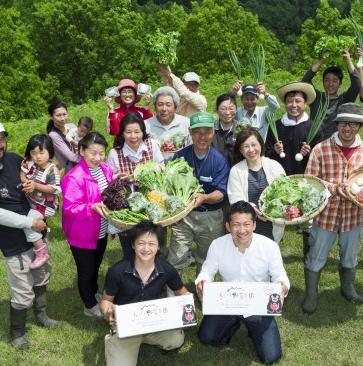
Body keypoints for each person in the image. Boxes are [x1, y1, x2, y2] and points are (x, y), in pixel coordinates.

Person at [0, 119, 61, 350]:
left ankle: (42, 315)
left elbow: (41, 176)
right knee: (22, 290)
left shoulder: (16, 160)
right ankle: (17, 331)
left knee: (42, 275)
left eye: (1, 139)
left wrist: (45, 204)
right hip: (13, 241)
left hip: (38, 229)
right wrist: (31, 222)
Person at [302, 102, 363, 314]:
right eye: (343, 123)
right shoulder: (321, 149)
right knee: (317, 253)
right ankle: (311, 293)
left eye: (353, 125)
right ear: (337, 124)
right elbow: (311, 182)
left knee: (350, 254)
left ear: (359, 127)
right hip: (326, 214)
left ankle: (347, 286)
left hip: (353, 216)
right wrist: (334, 188)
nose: (347, 129)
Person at [100, 220, 191, 366]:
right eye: (141, 243)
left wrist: (188, 297)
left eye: (151, 244)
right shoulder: (117, 271)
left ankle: (146, 340)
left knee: (176, 339)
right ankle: (111, 341)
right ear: (133, 245)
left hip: (153, 323)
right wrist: (108, 313)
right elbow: (106, 301)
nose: (146, 249)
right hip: (125, 328)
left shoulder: (166, 269)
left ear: (158, 247)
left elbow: (182, 292)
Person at [195, 201, 290, 365]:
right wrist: (202, 282)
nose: (241, 230)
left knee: (271, 357)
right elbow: (207, 272)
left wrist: (281, 287)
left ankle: (253, 328)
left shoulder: (269, 246)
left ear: (254, 225)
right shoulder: (218, 245)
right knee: (206, 336)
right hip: (227, 302)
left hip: (258, 305)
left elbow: (280, 275)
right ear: (227, 226)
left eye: (246, 224)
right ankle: (233, 324)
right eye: (236, 225)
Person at [168, 112, 230, 274]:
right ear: (190, 132)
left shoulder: (219, 160)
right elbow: (169, 186)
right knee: (176, 257)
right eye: (197, 132)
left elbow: (221, 193)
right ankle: (173, 295)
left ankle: (202, 289)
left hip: (210, 216)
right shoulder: (180, 157)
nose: (202, 137)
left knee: (207, 258)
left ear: (213, 133)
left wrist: (204, 198)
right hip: (183, 216)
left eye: (207, 132)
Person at [61, 132, 114, 318]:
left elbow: (109, 191)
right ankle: (89, 305)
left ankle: (93, 293)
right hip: (82, 233)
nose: (97, 157)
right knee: (85, 270)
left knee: (96, 264)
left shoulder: (106, 169)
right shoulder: (74, 177)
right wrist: (91, 207)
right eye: (93, 153)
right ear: (82, 150)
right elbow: (70, 207)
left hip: (101, 230)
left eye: (101, 153)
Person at [106, 113, 165, 260]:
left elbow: (162, 165)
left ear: (143, 131)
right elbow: (110, 181)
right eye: (128, 132)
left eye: (137, 132)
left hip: (153, 203)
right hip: (128, 209)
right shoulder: (115, 153)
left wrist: (153, 170)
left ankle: (155, 279)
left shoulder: (152, 145)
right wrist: (119, 178)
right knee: (131, 251)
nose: (133, 136)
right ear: (122, 133)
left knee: (154, 249)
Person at [228, 127, 286, 242]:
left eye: (254, 144)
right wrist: (253, 208)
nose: (251, 150)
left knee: (269, 250)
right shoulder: (236, 170)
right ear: (240, 150)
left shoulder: (274, 166)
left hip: (273, 222)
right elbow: (235, 198)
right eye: (246, 146)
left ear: (261, 145)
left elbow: (285, 190)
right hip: (247, 223)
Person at [19, 134, 61, 269]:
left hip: (44, 205)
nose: (38, 156)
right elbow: (22, 174)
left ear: (50, 152)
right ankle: (43, 234)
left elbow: (54, 189)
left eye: (41, 152)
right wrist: (27, 183)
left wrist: (36, 186)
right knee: (36, 225)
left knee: (29, 224)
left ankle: (41, 252)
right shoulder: (29, 162)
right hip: (31, 200)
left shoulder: (52, 170)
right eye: (34, 153)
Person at [301, 48, 361, 142]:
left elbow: (357, 84)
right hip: (315, 143)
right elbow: (305, 81)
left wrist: (348, 61)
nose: (330, 84)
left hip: (337, 144)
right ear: (323, 82)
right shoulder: (316, 97)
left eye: (334, 81)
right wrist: (321, 61)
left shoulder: (345, 99)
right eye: (327, 80)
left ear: (340, 83)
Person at [265, 81, 317, 176]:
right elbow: (266, 154)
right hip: (280, 178)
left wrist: (309, 152)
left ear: (305, 104)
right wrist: (275, 151)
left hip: (306, 178)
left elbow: (321, 157)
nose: (293, 105)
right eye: (289, 101)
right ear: (285, 104)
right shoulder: (276, 126)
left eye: (298, 101)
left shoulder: (314, 127)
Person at [145, 86, 191, 161]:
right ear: (155, 107)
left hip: (181, 169)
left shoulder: (186, 123)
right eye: (160, 104)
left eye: (168, 105)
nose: (164, 109)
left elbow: (192, 148)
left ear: (175, 107)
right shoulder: (146, 125)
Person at [47, 101, 82, 172]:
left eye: (64, 114)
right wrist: (89, 159)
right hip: (71, 170)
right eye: (58, 115)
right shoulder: (53, 135)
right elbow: (70, 156)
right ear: (51, 116)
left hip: (81, 163)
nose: (63, 118)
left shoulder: (72, 126)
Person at [212, 93, 240, 168]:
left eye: (231, 109)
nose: (227, 113)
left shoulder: (241, 129)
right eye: (223, 109)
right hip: (216, 171)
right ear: (217, 110)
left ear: (236, 109)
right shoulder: (211, 129)